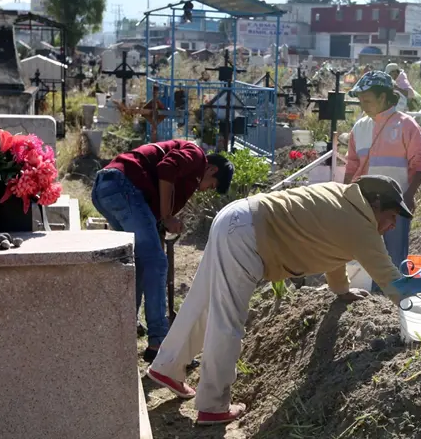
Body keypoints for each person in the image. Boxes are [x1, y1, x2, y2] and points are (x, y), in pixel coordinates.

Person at [146, 176, 407, 425]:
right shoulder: (360, 224)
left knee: (201, 300)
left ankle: (168, 366)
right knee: (228, 317)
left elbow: (334, 251)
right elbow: (389, 279)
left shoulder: (343, 200)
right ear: (375, 204)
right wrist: (417, 307)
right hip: (247, 234)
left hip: (236, 218)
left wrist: (341, 290)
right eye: (391, 216)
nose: (393, 225)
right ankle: (213, 406)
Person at [91, 140, 233, 363]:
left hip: (106, 188)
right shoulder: (197, 155)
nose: (205, 189)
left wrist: (161, 222)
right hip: (122, 184)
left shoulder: (188, 176)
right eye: (212, 185)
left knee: (138, 262)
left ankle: (126, 327)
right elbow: (166, 169)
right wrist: (167, 216)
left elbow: (153, 203)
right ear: (212, 169)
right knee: (157, 263)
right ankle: (160, 342)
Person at [344, 71, 421, 276]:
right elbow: (351, 165)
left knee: (394, 257)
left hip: (395, 203)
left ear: (383, 97)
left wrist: (409, 195)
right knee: (366, 255)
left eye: (367, 100)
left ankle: (393, 299)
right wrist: (344, 194)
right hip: (364, 203)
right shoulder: (359, 127)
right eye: (360, 101)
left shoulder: (406, 125)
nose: (363, 106)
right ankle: (372, 301)